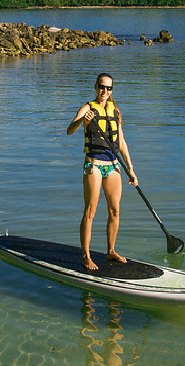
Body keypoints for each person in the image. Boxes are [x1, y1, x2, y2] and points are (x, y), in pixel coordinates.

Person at [67, 72, 138, 270]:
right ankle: (86, 256)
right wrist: (82, 120)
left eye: (108, 88)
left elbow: (121, 142)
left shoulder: (115, 110)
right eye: (101, 87)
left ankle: (111, 251)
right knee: (90, 211)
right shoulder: (87, 108)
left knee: (115, 210)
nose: (104, 91)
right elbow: (69, 130)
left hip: (113, 165)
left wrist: (131, 169)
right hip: (94, 165)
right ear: (95, 86)